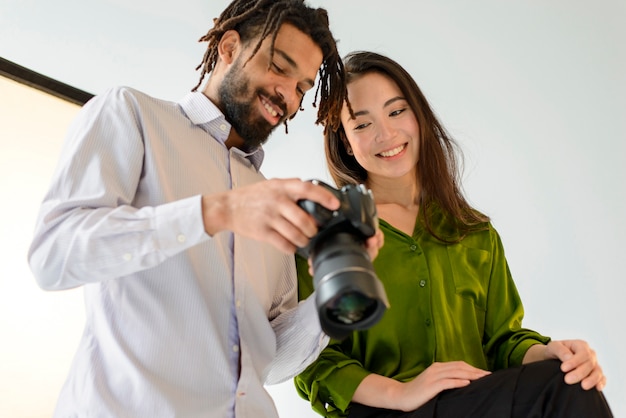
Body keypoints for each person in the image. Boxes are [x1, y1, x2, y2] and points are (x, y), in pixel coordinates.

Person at [27, 2, 383, 417]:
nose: (288, 95)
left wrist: (330, 295)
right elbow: (53, 256)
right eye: (279, 67)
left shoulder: (269, 199)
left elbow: (268, 364)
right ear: (229, 47)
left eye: (303, 86)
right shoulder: (133, 115)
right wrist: (218, 211)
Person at [294, 51, 613, 418]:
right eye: (362, 125)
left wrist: (555, 352)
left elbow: (503, 341)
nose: (387, 134)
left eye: (396, 112)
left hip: (474, 403)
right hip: (383, 410)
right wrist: (403, 392)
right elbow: (314, 363)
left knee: (571, 377)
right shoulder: (327, 233)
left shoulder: (475, 233)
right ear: (347, 143)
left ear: (419, 117)